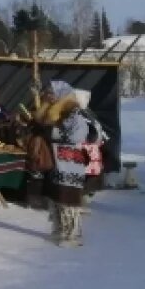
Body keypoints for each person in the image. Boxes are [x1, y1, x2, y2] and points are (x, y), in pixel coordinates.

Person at [34, 81, 90, 246]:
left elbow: (78, 135)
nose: (48, 96)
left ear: (61, 94)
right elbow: (39, 121)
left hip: (70, 164)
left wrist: (56, 134)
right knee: (56, 198)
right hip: (57, 163)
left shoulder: (73, 111)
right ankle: (59, 230)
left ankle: (72, 235)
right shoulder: (53, 112)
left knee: (68, 199)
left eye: (52, 93)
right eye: (48, 93)